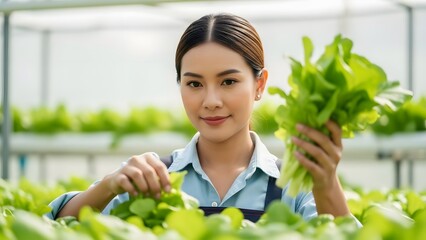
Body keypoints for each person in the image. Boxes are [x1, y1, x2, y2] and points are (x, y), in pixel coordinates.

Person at [47, 13, 355, 224]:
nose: (211, 101)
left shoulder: (293, 185)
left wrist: (327, 185)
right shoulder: (155, 176)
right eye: (194, 84)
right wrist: (111, 185)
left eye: (228, 82)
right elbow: (57, 225)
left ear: (259, 85)